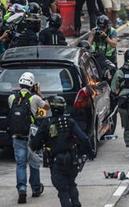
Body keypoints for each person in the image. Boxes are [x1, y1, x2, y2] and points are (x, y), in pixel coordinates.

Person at [29, 96, 93, 207]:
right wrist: (89, 152)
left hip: (56, 162)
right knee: (71, 184)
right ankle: (76, 204)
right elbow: (84, 138)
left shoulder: (46, 123)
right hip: (72, 161)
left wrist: (39, 144)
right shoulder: (70, 121)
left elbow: (35, 144)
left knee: (63, 191)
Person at [8, 72, 48, 204]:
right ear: (32, 85)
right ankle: (36, 188)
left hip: (17, 136)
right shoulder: (35, 98)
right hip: (32, 136)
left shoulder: (12, 98)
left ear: (20, 83)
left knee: (20, 164)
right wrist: (40, 93)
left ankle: (22, 189)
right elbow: (47, 108)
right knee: (34, 163)